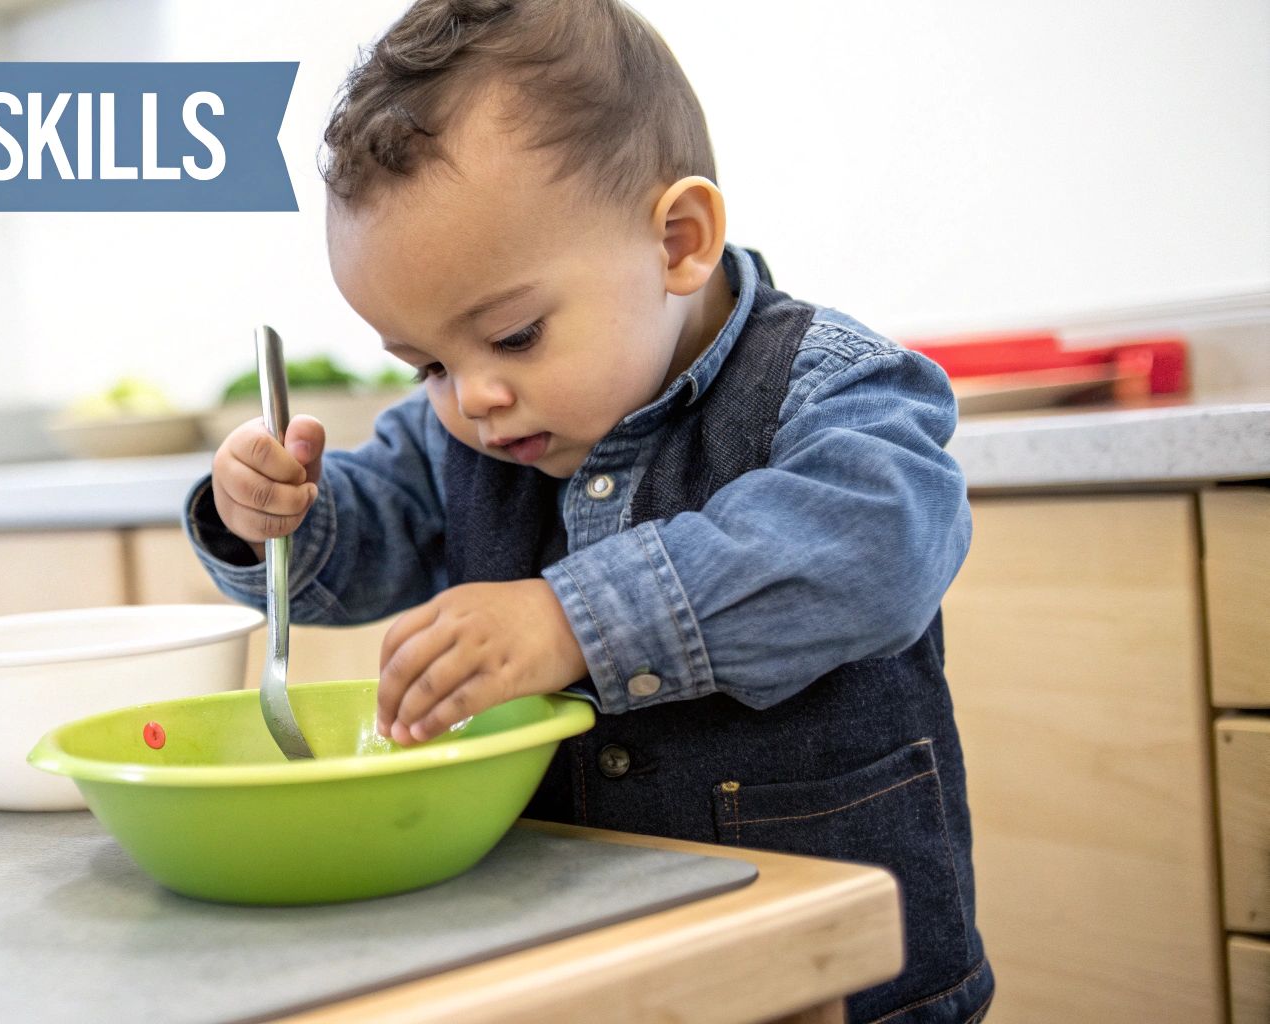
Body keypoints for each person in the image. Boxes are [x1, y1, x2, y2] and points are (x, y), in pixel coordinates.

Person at [183, 2, 991, 1019]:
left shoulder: (826, 385)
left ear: (678, 242)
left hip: (837, 971)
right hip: (582, 960)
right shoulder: (457, 433)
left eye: (513, 335)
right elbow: (360, 542)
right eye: (428, 362)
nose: (470, 398)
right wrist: (270, 514)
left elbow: (877, 546)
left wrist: (572, 619)